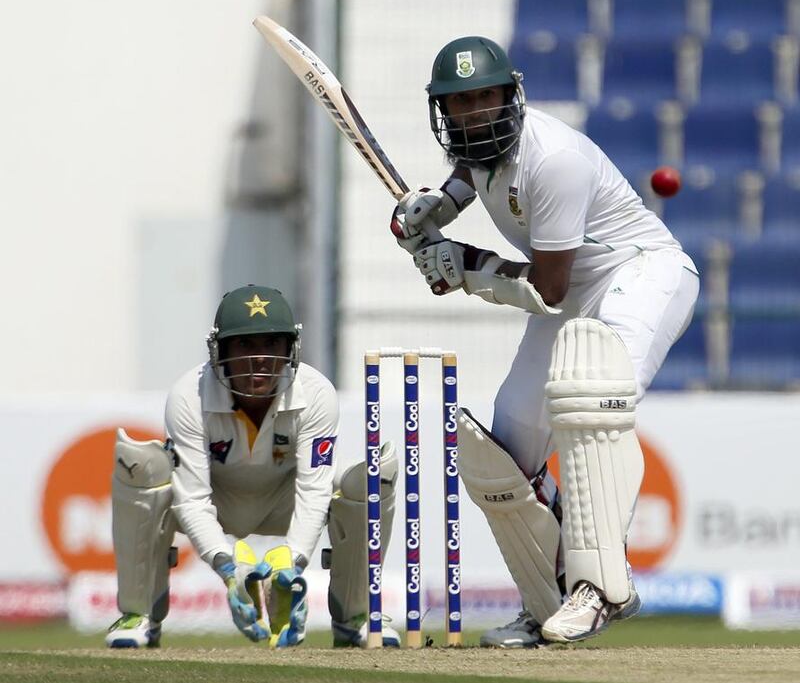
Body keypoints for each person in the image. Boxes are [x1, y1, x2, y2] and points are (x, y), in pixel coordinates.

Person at [391, 37, 699, 646]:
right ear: (443, 112)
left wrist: (467, 266)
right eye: (460, 102)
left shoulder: (553, 158)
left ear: (511, 95)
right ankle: (546, 597)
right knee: (509, 443)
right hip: (573, 283)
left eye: (487, 96)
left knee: (594, 400)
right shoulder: (478, 150)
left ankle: (600, 587)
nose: (475, 111)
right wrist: (437, 208)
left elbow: (549, 289)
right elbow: (471, 171)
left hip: (639, 273)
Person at [106, 284, 400, 648]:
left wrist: (292, 565)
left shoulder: (316, 392)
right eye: (245, 345)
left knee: (371, 481)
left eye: (271, 344)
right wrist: (228, 568)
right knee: (141, 466)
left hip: (284, 502)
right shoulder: (189, 395)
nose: (259, 358)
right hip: (219, 501)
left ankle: (357, 614)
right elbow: (192, 499)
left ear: (290, 349)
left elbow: (314, 490)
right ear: (219, 350)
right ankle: (139, 614)